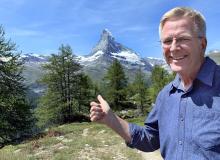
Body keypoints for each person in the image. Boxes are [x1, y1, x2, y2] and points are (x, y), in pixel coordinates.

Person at [90, 7, 220, 160]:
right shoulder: (165, 95)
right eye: (167, 41)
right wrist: (111, 119)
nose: (173, 48)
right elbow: (150, 139)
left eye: (183, 39)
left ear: (203, 44)